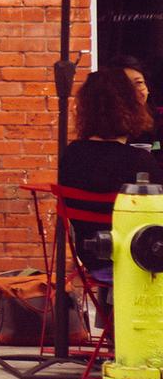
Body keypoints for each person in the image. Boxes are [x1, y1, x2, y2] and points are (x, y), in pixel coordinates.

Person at [59, 67, 157, 275]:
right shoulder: (140, 161)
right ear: (131, 107)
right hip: (139, 262)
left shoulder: (70, 155)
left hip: (92, 260)